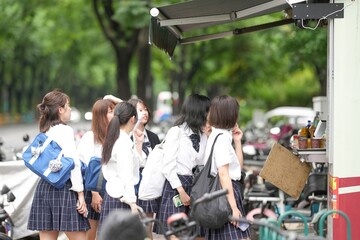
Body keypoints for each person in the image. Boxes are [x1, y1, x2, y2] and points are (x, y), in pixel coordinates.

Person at [27, 90, 89, 240]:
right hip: (64, 188)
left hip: (45, 187)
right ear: (60, 109)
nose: (69, 109)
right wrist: (80, 194)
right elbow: (73, 163)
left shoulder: (45, 128)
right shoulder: (65, 130)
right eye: (68, 106)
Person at [156, 93, 210, 234]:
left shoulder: (203, 135)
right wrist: (181, 191)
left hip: (195, 186)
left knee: (196, 232)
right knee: (176, 233)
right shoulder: (176, 132)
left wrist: (209, 136)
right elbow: (167, 166)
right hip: (176, 186)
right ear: (198, 112)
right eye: (207, 110)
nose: (210, 114)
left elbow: (202, 162)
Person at [204, 95, 250, 239]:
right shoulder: (222, 139)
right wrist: (234, 207)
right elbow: (224, 174)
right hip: (226, 193)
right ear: (230, 114)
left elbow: (237, 169)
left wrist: (237, 141)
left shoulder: (219, 135)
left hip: (223, 192)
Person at [98, 101, 144, 234]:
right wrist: (132, 202)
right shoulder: (123, 142)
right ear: (132, 119)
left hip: (113, 196)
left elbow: (135, 164)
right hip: (122, 198)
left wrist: (138, 144)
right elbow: (127, 175)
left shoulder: (114, 138)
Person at [77, 98, 118, 240]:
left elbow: (130, 112)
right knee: (91, 234)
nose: (115, 114)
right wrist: (94, 193)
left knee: (111, 233)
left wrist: (112, 99)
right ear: (101, 116)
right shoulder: (90, 137)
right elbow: (90, 168)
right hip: (94, 189)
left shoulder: (116, 136)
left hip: (112, 189)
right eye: (110, 112)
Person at [128, 98, 161, 239]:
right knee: (132, 226)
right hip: (132, 182)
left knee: (147, 226)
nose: (145, 113)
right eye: (140, 110)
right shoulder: (126, 136)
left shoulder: (153, 137)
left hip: (149, 181)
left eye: (145, 109)